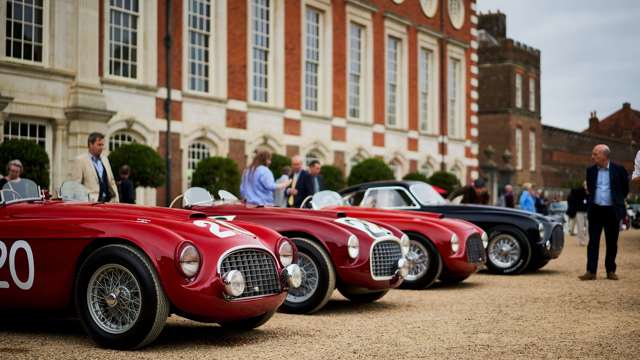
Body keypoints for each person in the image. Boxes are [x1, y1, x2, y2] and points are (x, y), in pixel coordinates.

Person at [579, 144, 629, 281]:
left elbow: (625, 189)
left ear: (604, 156)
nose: (592, 157)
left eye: (595, 154)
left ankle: (611, 271)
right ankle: (591, 271)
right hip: (596, 210)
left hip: (612, 211)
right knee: (593, 242)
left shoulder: (619, 170)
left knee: (612, 242)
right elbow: (590, 188)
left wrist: (617, 201)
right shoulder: (590, 170)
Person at [69, 132, 119, 202]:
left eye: (102, 145)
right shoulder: (80, 160)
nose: (101, 147)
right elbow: (75, 185)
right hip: (91, 204)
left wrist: (116, 198)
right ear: (90, 144)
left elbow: (111, 181)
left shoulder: (105, 160)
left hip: (108, 202)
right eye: (99, 145)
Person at [567, 181, 589, 246]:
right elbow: (572, 192)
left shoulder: (592, 191)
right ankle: (581, 240)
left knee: (589, 227)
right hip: (580, 212)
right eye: (585, 184)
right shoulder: (579, 191)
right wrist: (583, 189)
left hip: (588, 212)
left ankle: (589, 240)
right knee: (580, 227)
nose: (586, 186)